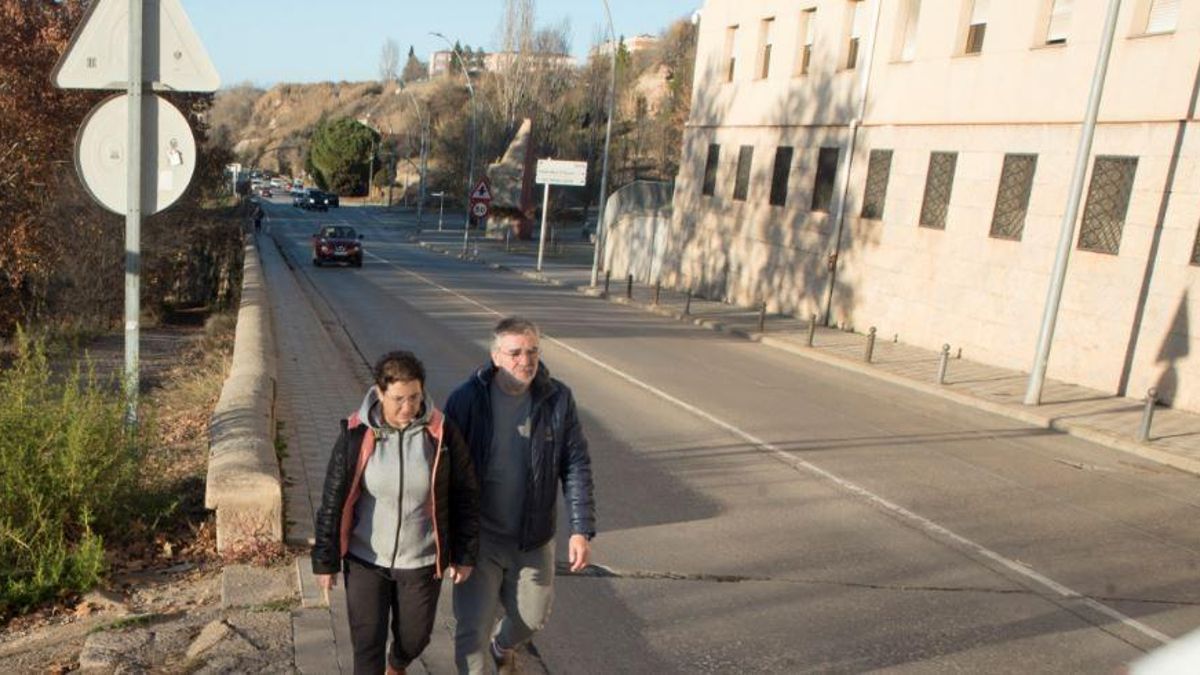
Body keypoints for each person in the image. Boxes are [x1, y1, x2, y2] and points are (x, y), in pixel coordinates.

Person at [312, 351, 480, 675]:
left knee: (415, 638)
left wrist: (465, 553)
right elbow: (333, 499)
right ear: (379, 393)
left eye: (415, 398)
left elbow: (466, 494)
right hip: (365, 559)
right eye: (398, 399)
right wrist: (325, 560)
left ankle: (397, 664)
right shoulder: (356, 432)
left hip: (420, 560)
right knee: (366, 645)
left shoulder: (441, 434)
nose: (407, 408)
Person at [444, 317, 596, 674]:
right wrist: (448, 537)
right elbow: (443, 472)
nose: (525, 361)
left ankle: (504, 643)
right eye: (515, 353)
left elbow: (576, 464)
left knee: (531, 618)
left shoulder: (557, 399)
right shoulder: (467, 401)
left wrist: (580, 529)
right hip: (479, 540)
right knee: (470, 631)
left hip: (532, 538)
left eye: (532, 351)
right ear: (496, 357)